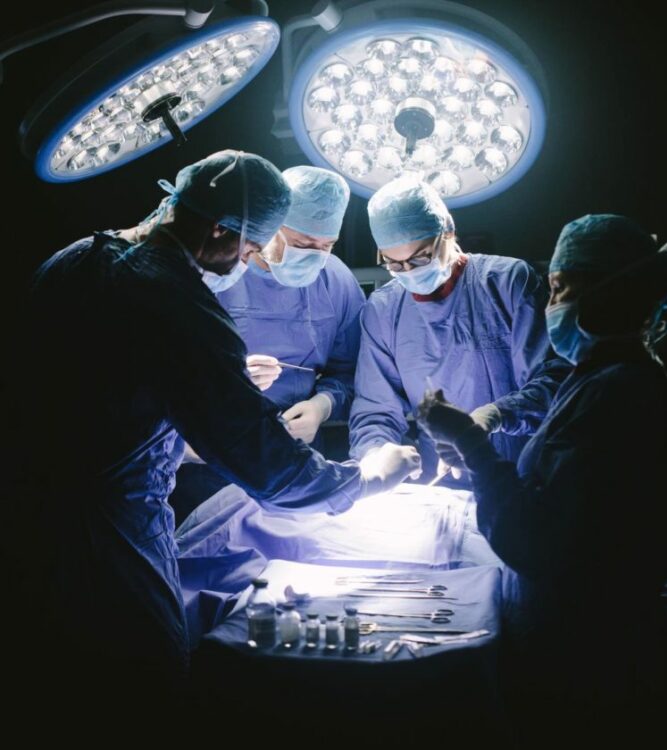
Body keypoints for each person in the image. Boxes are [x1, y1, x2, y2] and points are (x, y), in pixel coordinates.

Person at [13, 150, 419, 704]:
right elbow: (270, 467)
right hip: (106, 535)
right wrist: (366, 478)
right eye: (252, 248)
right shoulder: (175, 300)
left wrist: (216, 389)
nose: (248, 262)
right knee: (138, 684)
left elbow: (98, 394)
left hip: (29, 516)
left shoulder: (79, 257)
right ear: (218, 229)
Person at [418, 214, 667, 726]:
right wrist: (478, 440)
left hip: (589, 653)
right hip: (591, 628)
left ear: (608, 293)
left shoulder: (619, 391)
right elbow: (558, 456)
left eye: (560, 289)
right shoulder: (608, 376)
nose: (550, 305)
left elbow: (536, 542)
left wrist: (474, 445)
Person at [349, 176, 569, 483]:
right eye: (394, 264)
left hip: (520, 472)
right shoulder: (383, 310)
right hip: (440, 479)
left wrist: (496, 415)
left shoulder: (507, 282)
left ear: (448, 232)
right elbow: (375, 407)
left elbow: (554, 380)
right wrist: (376, 452)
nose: (409, 271)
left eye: (421, 257)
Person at [217, 165, 364, 447]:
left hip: (297, 447)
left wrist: (322, 406)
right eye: (302, 243)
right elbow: (166, 370)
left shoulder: (336, 281)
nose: (314, 255)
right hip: (215, 447)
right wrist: (223, 382)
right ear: (268, 226)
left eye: (326, 245)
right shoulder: (218, 273)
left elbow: (353, 371)